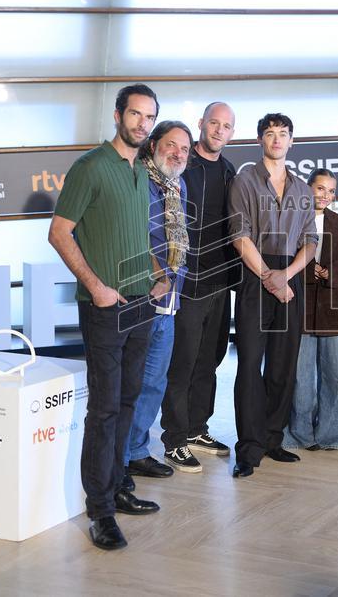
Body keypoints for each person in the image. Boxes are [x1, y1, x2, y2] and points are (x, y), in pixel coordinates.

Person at [48, 84, 167, 551]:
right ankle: (99, 510)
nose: (142, 123)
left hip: (142, 303)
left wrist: (159, 274)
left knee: (129, 399)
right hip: (104, 307)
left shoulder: (141, 170)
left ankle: (118, 486)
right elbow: (58, 233)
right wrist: (96, 286)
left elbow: (136, 235)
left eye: (149, 116)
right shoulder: (91, 167)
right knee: (104, 408)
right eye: (135, 114)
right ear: (118, 115)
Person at [228, 113, 318, 478]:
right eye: (270, 134)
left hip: (291, 276)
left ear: (292, 142)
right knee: (250, 364)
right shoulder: (245, 181)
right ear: (260, 140)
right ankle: (248, 449)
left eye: (283, 134)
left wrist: (287, 276)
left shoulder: (301, 189)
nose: (277, 139)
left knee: (283, 364)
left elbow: (311, 241)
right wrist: (268, 276)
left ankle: (271, 439)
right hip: (255, 275)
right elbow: (239, 235)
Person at [160, 102, 240, 474]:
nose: (219, 130)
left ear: (231, 133)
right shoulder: (181, 164)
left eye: (226, 126)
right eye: (214, 123)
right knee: (184, 361)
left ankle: (197, 428)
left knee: (210, 359)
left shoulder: (229, 171)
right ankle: (174, 438)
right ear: (201, 125)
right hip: (187, 281)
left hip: (220, 281)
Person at [121, 121, 192, 490]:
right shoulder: (137, 179)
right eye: (171, 145)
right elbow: (133, 234)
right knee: (130, 381)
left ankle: (136, 452)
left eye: (184, 149)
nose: (178, 153)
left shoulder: (178, 184)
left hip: (170, 299)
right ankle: (117, 460)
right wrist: (155, 275)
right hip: (141, 295)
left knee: (153, 382)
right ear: (153, 145)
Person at [283, 169, 338, 451]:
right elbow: (285, 256)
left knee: (335, 375)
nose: (325, 195)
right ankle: (298, 435)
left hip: (334, 308)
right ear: (308, 188)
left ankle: (333, 435)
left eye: (331, 191)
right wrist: (307, 269)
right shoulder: (293, 220)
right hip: (301, 307)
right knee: (301, 377)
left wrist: (330, 273)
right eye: (320, 188)